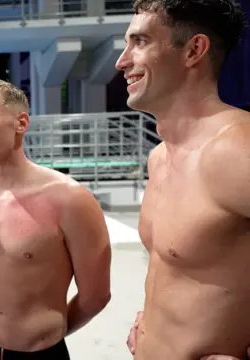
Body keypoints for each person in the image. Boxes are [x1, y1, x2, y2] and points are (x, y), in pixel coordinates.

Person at [115, 0, 250, 359]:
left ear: (194, 50)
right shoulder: (159, 158)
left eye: (140, 42)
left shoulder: (235, 149)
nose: (122, 61)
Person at [0, 80, 112, 359]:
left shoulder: (70, 199)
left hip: (40, 353)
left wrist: (45, 336)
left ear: (21, 123)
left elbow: (96, 296)